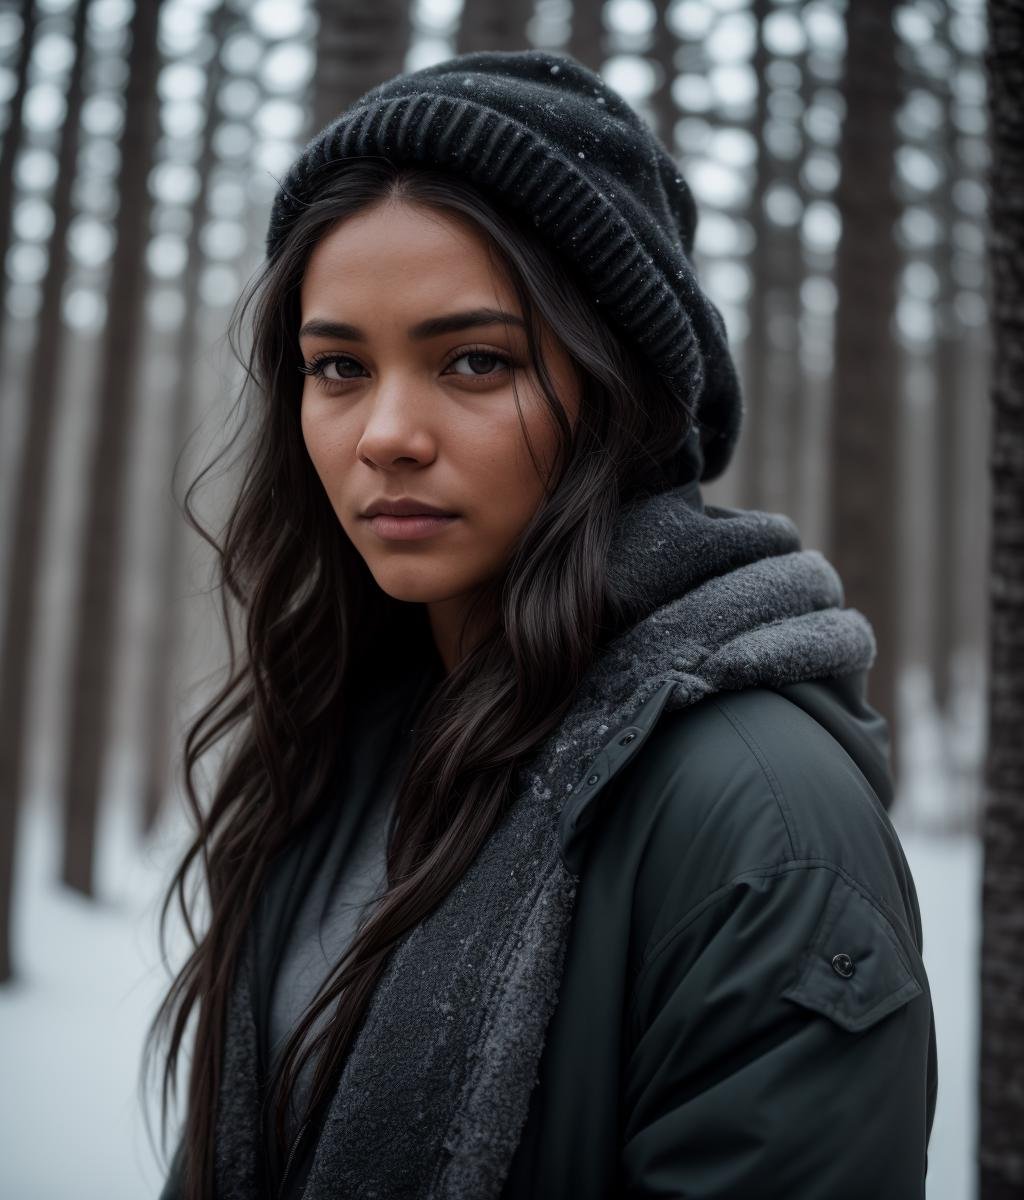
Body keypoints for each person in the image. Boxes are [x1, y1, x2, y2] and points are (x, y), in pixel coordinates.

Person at [147, 47, 937, 1200]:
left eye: (473, 360)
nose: (385, 434)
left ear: (618, 392)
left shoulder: (763, 825)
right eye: (337, 367)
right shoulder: (336, 746)